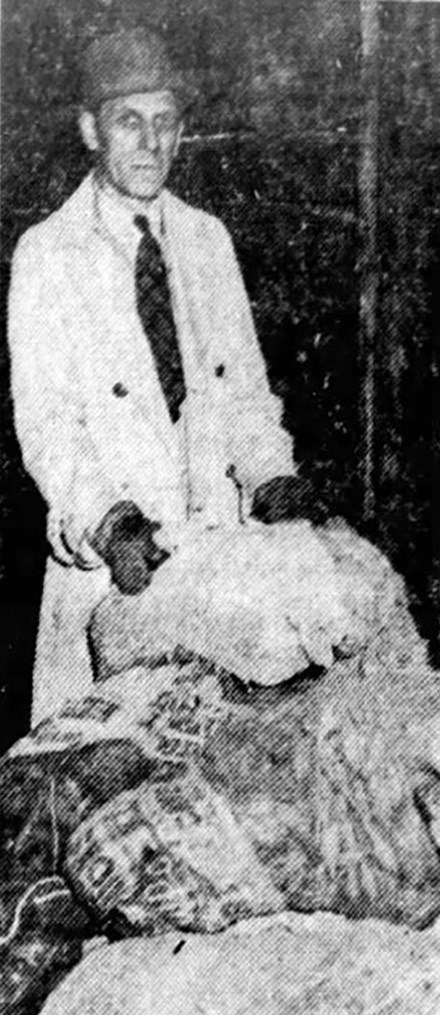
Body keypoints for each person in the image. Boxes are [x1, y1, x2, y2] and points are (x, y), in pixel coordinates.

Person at [7, 26, 322, 724]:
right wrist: (108, 521)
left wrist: (271, 476)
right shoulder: (49, 255)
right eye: (129, 122)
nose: (150, 144)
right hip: (115, 568)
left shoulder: (207, 241)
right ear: (91, 130)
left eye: (165, 123)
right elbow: (47, 427)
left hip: (216, 564)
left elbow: (245, 394)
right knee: (106, 781)